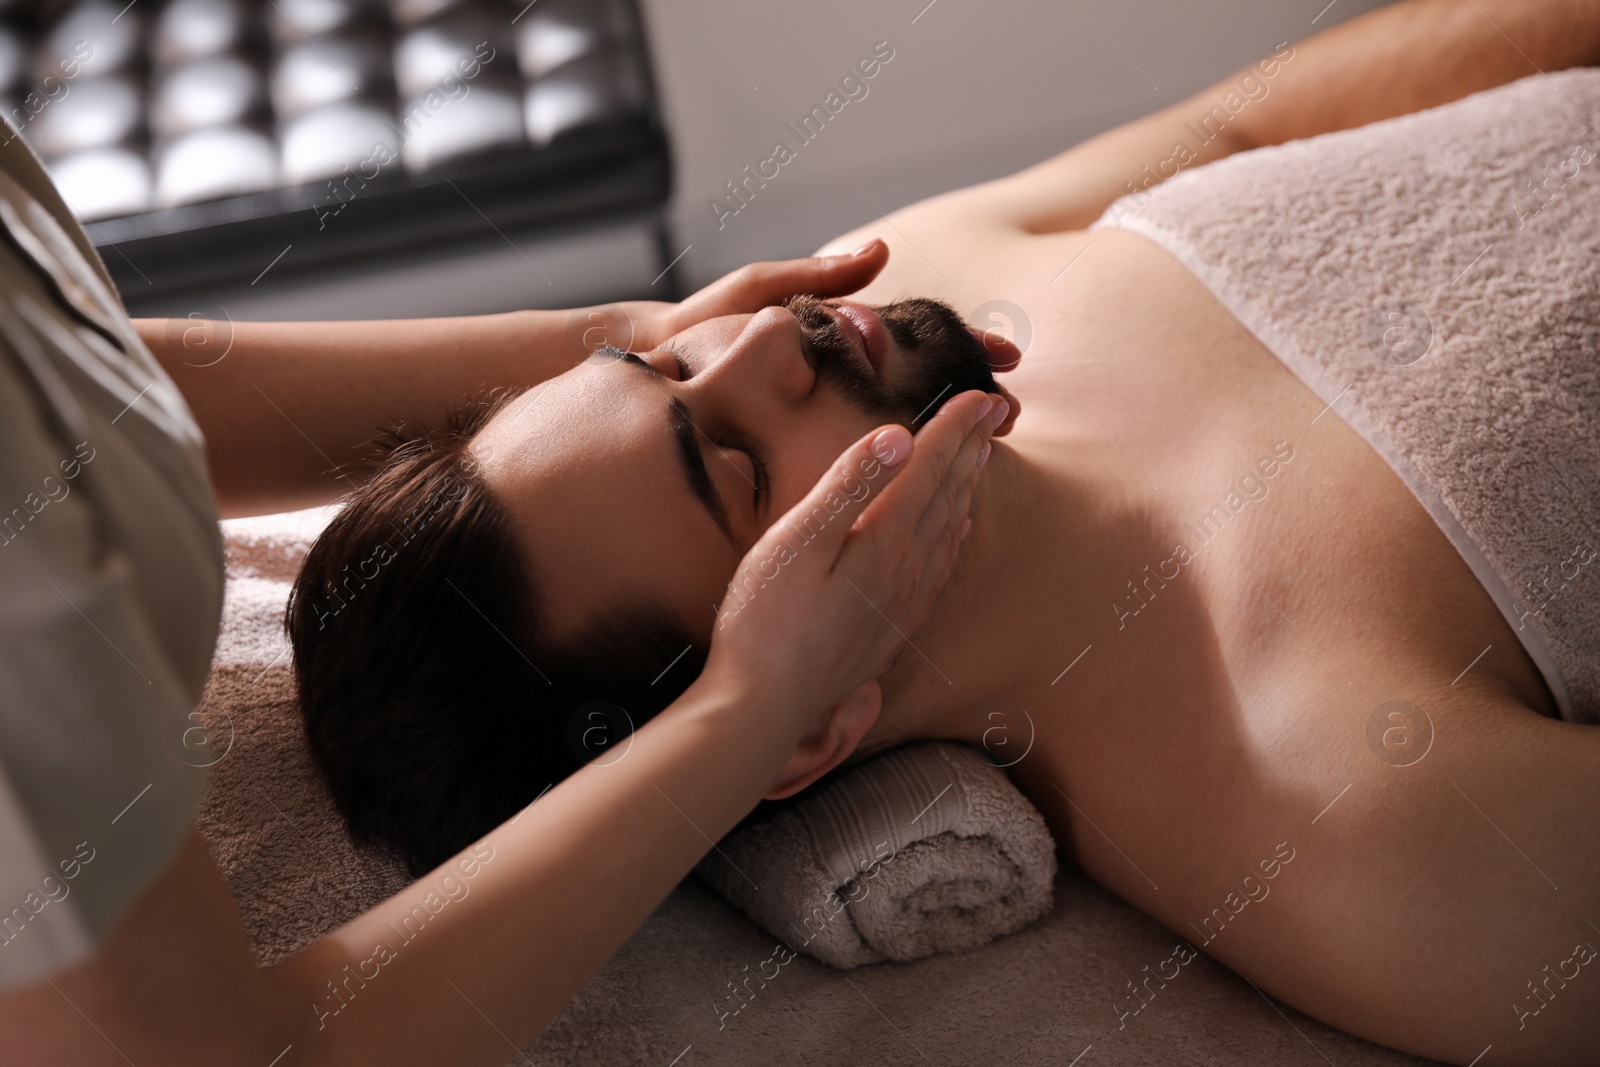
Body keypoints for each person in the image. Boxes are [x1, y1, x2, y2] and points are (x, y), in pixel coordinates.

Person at [2, 2, 1595, 1066]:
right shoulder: (1346, 812)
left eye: (668, 367)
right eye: (738, 470)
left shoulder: (956, 260)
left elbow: (1264, 122)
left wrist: (627, 337)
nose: (774, 340)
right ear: (807, 716)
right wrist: (737, 711)